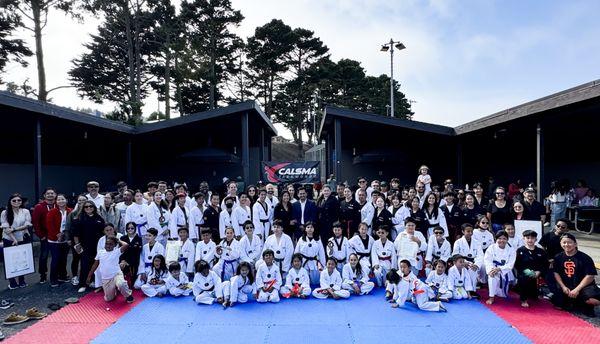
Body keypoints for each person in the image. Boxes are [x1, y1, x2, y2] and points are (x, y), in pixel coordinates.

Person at [551, 233, 600, 317]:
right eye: (564, 242)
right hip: (566, 286)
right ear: (561, 244)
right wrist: (563, 287)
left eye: (569, 242)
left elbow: (590, 276)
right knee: (558, 304)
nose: (566, 245)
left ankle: (582, 304)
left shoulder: (585, 258)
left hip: (583, 286)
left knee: (594, 301)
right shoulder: (558, 257)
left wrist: (577, 289)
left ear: (575, 244)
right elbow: (556, 273)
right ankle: (573, 302)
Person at [87, 236, 133, 303]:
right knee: (108, 299)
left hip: (116, 275)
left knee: (121, 284)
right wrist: (89, 275)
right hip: (106, 278)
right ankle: (114, 290)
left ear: (115, 245)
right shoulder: (100, 252)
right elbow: (95, 265)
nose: (108, 246)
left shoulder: (117, 251)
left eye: (111, 244)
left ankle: (128, 296)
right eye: (106, 244)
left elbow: (126, 245)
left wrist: (118, 240)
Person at [72, 201, 105, 293]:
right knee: (84, 264)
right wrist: (77, 245)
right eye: (86, 207)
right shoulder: (79, 219)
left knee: (96, 264)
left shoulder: (99, 218)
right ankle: (83, 284)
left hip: (97, 245)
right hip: (84, 245)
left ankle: (94, 281)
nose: (89, 208)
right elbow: (75, 234)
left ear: (94, 207)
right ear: (83, 208)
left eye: (91, 206)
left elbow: (103, 231)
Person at [1, 193, 32, 288]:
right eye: (14, 200)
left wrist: (15, 229)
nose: (17, 202)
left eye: (19, 200)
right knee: (10, 260)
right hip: (9, 239)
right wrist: (14, 240)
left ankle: (22, 281)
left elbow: (27, 224)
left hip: (23, 237)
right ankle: (12, 282)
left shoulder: (25, 211)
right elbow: (6, 227)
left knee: (22, 260)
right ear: (10, 202)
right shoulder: (5, 213)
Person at [514, 230, 548, 307]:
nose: (530, 240)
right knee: (524, 279)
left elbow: (545, 264)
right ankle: (523, 299)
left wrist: (539, 271)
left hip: (537, 273)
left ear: (536, 239)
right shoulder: (520, 250)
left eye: (532, 238)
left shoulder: (541, 251)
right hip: (524, 273)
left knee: (534, 297)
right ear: (523, 239)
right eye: (528, 238)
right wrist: (527, 271)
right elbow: (517, 264)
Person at [45, 194, 72, 287]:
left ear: (66, 200)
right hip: (54, 240)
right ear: (56, 201)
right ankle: (53, 279)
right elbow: (49, 225)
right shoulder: (52, 212)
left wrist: (67, 236)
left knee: (63, 259)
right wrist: (57, 235)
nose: (61, 201)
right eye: (58, 199)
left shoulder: (70, 211)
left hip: (65, 239)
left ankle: (63, 276)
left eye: (62, 199)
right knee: (55, 259)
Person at [32, 187, 57, 284]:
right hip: (45, 236)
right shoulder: (39, 207)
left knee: (57, 256)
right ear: (44, 195)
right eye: (48, 193)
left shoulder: (58, 205)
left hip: (57, 236)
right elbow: (35, 222)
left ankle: (58, 273)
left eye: (52, 193)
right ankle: (43, 274)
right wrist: (40, 235)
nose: (50, 195)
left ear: (55, 195)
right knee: (44, 256)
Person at [484, 230, 516, 304]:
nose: (502, 240)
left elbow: (510, 264)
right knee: (492, 276)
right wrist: (491, 270)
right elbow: (487, 260)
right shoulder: (491, 247)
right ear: (496, 239)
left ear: (507, 239)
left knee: (502, 294)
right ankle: (491, 297)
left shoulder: (511, 249)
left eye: (504, 238)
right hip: (493, 268)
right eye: (499, 238)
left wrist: (500, 269)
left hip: (505, 270)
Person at [452, 223, 483, 299]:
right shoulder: (458, 242)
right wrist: (464, 262)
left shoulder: (477, 242)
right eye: (468, 231)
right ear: (463, 231)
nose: (470, 233)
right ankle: (463, 289)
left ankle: (472, 290)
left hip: (473, 262)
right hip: (461, 262)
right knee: (467, 268)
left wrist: (477, 264)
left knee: (473, 269)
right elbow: (455, 254)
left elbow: (480, 255)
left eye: (471, 231)